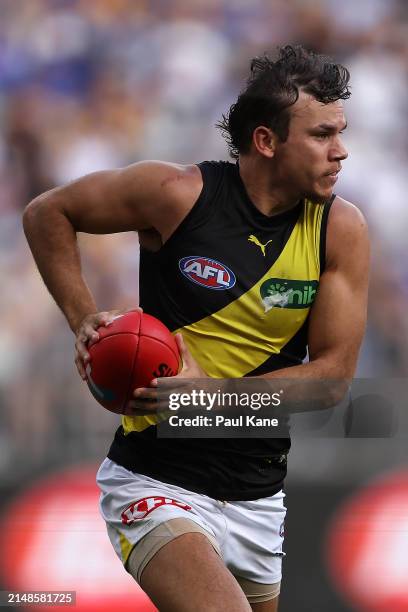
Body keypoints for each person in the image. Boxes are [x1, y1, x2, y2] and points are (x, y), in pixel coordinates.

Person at [23, 45, 369, 612]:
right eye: (322, 135)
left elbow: (330, 382)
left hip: (259, 496)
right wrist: (82, 316)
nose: (341, 151)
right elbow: (47, 213)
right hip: (158, 480)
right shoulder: (177, 194)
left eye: (342, 132)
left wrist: (210, 396)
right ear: (266, 141)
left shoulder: (341, 228)